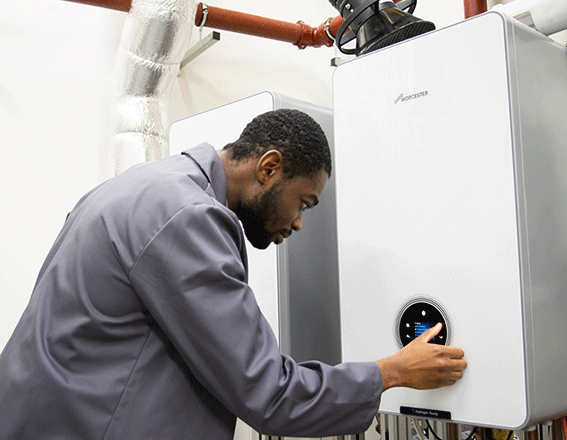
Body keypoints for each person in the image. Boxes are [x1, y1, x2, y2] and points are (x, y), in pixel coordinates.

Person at [0, 109, 466, 439]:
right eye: (304, 202)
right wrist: (393, 371)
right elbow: (269, 393)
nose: (300, 223)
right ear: (269, 168)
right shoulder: (189, 217)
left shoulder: (136, 188)